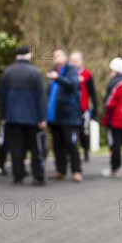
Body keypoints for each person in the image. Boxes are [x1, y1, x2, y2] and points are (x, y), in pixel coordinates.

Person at [0, 46, 48, 185]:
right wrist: (43, 117)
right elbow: (41, 97)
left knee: (16, 148)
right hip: (32, 118)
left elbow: (2, 97)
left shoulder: (8, 73)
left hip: (12, 117)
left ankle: (18, 175)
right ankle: (38, 175)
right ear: (29, 56)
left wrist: (4, 115)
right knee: (35, 148)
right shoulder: (35, 73)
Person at [47, 49, 83, 183]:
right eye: (53, 55)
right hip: (54, 116)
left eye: (58, 55)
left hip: (69, 116)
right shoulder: (53, 71)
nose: (55, 57)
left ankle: (76, 170)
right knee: (57, 144)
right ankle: (60, 170)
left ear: (65, 57)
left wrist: (58, 78)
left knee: (71, 143)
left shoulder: (71, 70)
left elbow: (73, 84)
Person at [70, 51, 98, 162]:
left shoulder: (87, 74)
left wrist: (94, 109)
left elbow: (92, 93)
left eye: (76, 60)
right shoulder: (66, 74)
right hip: (70, 109)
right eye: (72, 60)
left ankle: (86, 151)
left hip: (82, 109)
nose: (74, 62)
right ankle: (71, 154)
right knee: (70, 133)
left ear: (81, 61)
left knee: (83, 132)